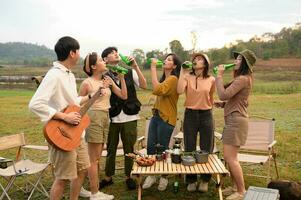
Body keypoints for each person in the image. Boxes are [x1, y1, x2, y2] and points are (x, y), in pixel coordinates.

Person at [29, 36, 91, 200]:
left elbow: (72, 102)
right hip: (61, 135)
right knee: (62, 178)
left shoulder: (69, 75)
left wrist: (91, 96)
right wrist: (64, 117)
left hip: (77, 134)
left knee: (82, 169)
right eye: (78, 51)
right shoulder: (54, 75)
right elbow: (35, 104)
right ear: (72, 53)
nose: (79, 54)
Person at [78, 52, 127, 199]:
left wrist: (122, 78)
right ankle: (95, 193)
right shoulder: (87, 83)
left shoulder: (107, 79)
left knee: (95, 157)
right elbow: (80, 106)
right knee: (94, 159)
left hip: (105, 117)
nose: (104, 61)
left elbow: (123, 96)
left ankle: (79, 187)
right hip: (94, 117)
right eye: (101, 60)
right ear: (93, 66)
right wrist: (99, 91)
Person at [99, 47, 147, 190]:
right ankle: (108, 177)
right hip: (112, 117)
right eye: (112, 53)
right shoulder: (103, 74)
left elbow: (144, 85)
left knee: (129, 149)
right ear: (105, 59)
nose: (116, 53)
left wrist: (135, 66)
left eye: (116, 52)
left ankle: (129, 176)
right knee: (111, 149)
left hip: (130, 115)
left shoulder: (130, 71)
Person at [215, 49, 256, 200]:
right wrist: (223, 105)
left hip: (236, 121)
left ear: (245, 63)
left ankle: (241, 191)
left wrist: (218, 76)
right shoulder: (243, 79)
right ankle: (234, 187)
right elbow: (238, 101)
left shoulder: (243, 79)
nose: (235, 62)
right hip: (234, 119)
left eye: (239, 59)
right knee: (230, 157)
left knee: (230, 157)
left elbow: (223, 94)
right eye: (236, 59)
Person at [142, 53, 181, 191]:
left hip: (166, 118)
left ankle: (164, 177)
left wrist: (153, 68)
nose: (165, 61)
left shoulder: (174, 79)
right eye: (166, 59)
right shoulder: (165, 78)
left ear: (175, 65)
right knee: (151, 148)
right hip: (156, 117)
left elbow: (157, 90)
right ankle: (152, 175)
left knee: (163, 149)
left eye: (169, 60)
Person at [177, 53, 215, 192]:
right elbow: (179, 90)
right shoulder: (187, 76)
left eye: (199, 59)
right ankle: (191, 179)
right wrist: (182, 71)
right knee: (189, 148)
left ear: (205, 64)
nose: (196, 61)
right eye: (195, 59)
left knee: (206, 147)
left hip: (206, 115)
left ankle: (205, 179)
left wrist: (213, 106)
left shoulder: (212, 79)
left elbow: (210, 97)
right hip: (190, 115)